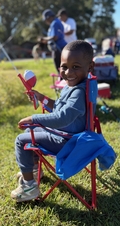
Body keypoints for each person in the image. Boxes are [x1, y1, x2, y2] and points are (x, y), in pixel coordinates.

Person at [11, 40, 94, 202]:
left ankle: (29, 187)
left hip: (68, 141)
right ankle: (34, 170)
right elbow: (59, 108)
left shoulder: (77, 92)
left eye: (76, 67)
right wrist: (41, 97)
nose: (68, 72)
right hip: (68, 134)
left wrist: (33, 118)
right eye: (64, 66)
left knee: (21, 140)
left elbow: (62, 118)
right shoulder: (74, 86)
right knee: (30, 132)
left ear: (90, 67)